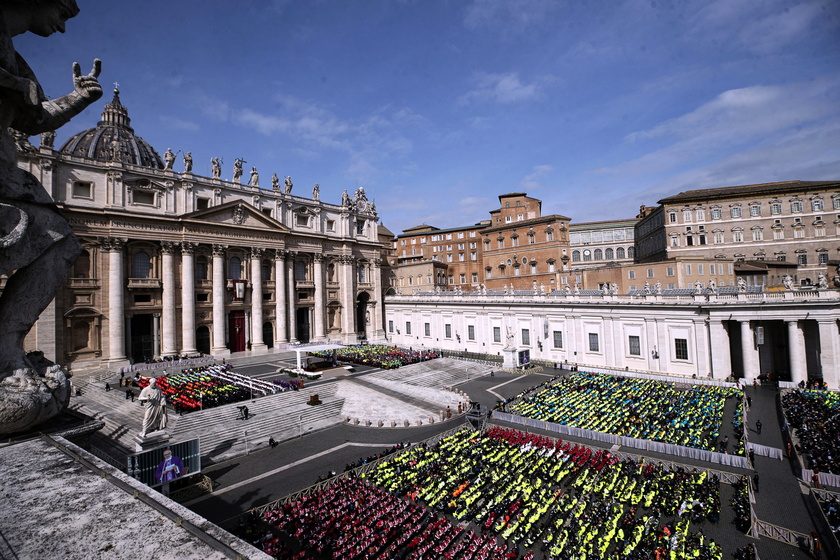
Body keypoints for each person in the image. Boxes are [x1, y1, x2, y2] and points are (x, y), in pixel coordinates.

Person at [0, 0, 102, 379]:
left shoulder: (14, 55)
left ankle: (6, 346)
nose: (62, 28)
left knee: (61, 242)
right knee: (59, 240)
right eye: (63, 12)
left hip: (7, 169)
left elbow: (34, 118)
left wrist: (79, 98)